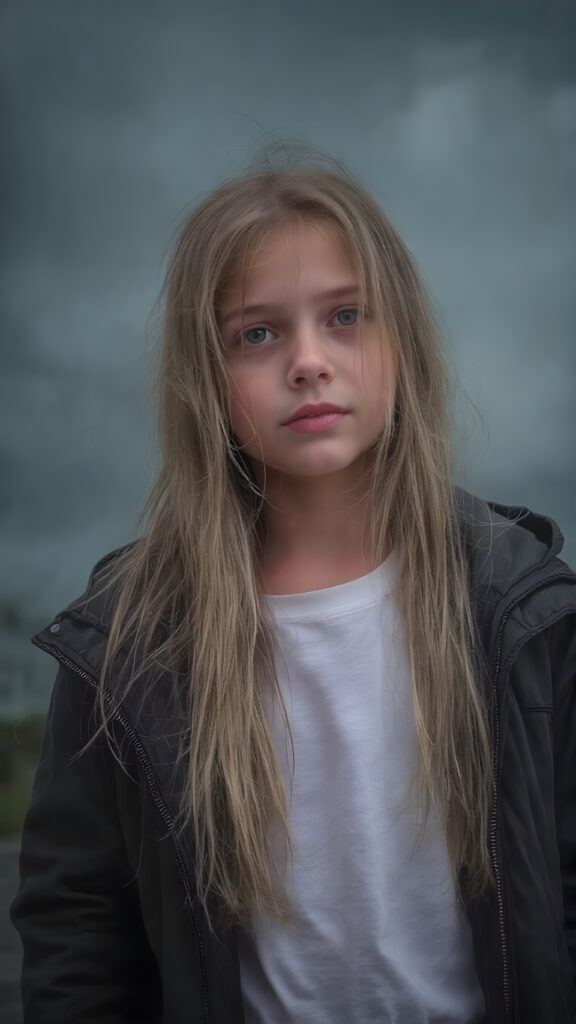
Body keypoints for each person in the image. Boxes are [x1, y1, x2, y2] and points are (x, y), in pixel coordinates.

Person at [11, 145, 576, 1024]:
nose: (308, 361)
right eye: (257, 334)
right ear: (208, 379)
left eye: (346, 316)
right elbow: (77, 926)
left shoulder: (523, 605)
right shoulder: (129, 642)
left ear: (404, 340)